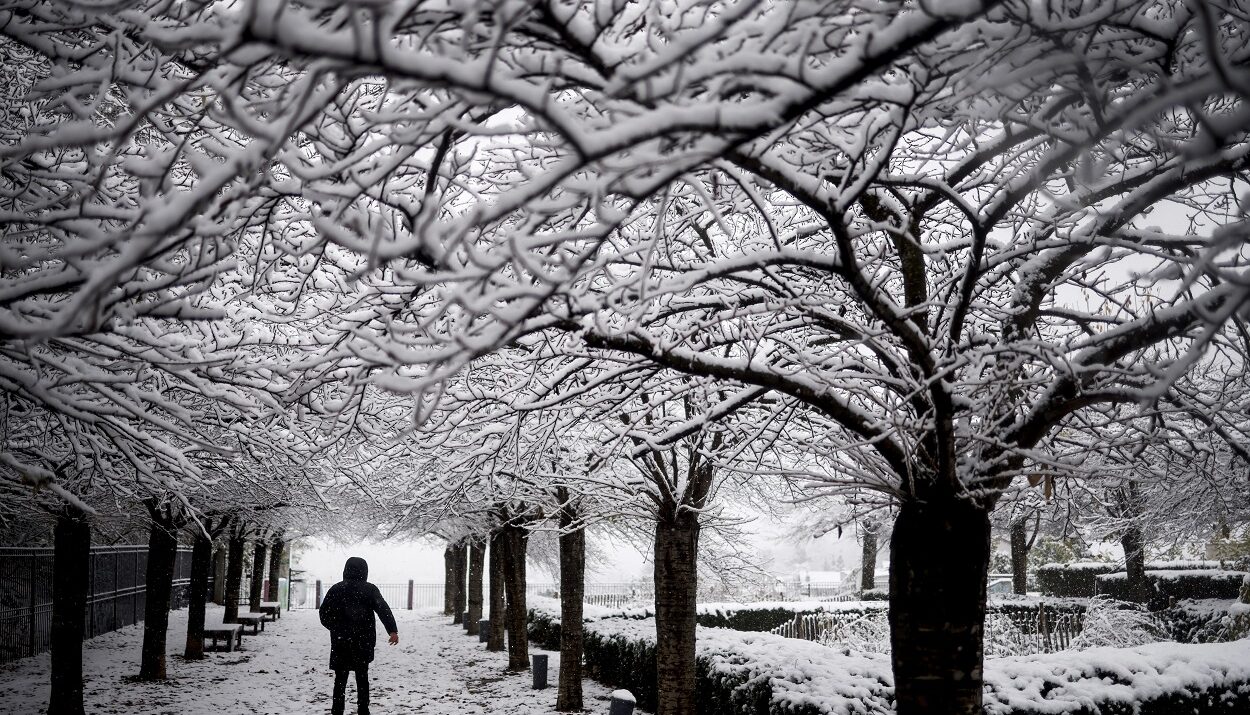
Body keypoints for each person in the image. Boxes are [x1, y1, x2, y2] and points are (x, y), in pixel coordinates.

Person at [318, 557, 399, 715]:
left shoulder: (336, 589)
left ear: (345, 570)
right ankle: (363, 709)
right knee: (362, 677)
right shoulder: (370, 589)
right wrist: (392, 630)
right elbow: (383, 609)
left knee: (340, 678)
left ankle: (337, 710)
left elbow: (324, 613)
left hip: (341, 642)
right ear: (365, 571)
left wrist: (336, 628)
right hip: (363, 641)